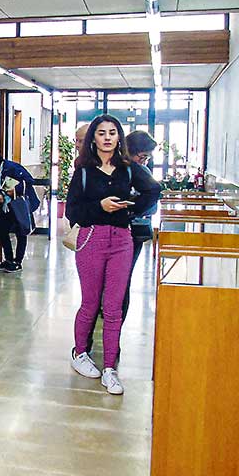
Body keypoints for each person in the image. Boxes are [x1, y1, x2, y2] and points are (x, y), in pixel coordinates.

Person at [66, 115, 160, 395]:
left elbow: (153, 190)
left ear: (119, 138)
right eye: (101, 133)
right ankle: (80, 354)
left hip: (121, 240)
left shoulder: (128, 169)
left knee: (114, 306)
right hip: (91, 238)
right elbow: (73, 211)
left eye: (112, 133)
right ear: (93, 138)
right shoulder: (83, 171)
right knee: (90, 303)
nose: (107, 138)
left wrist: (130, 209)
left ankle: (110, 368)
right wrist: (101, 207)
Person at [83, 130, 159, 360]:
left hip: (128, 235)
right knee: (107, 286)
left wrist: (131, 207)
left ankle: (106, 341)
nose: (143, 162)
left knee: (116, 285)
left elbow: (152, 198)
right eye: (142, 156)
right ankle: (97, 341)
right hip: (112, 232)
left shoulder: (134, 171)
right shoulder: (120, 169)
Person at [0, 150, 40, 273]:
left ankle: (18, 262)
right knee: (2, 231)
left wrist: (14, 190)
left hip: (18, 205)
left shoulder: (12, 167)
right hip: (6, 206)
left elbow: (29, 181)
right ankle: (8, 260)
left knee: (21, 231)